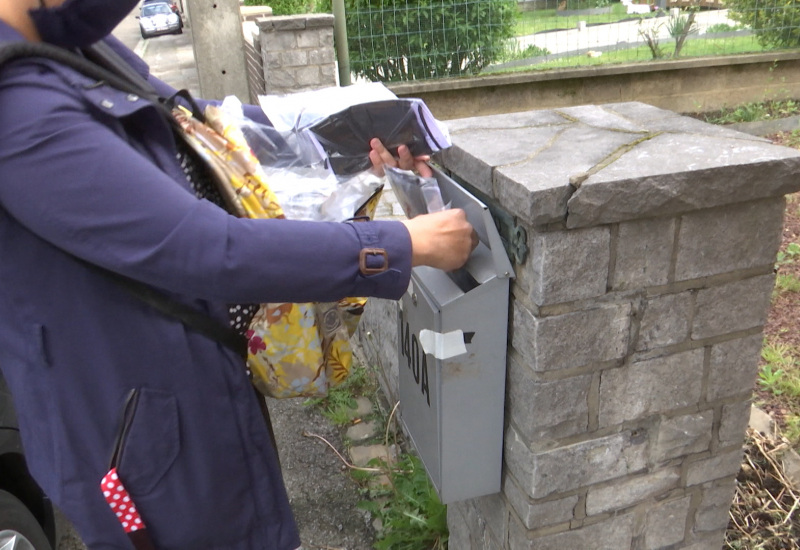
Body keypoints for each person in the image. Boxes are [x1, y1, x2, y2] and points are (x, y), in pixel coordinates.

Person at [0, 1, 476, 549]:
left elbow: (201, 130)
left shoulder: (72, 47)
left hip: (194, 400)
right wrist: (404, 244)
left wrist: (345, 142)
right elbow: (205, 248)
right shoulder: (17, 107)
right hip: (136, 453)